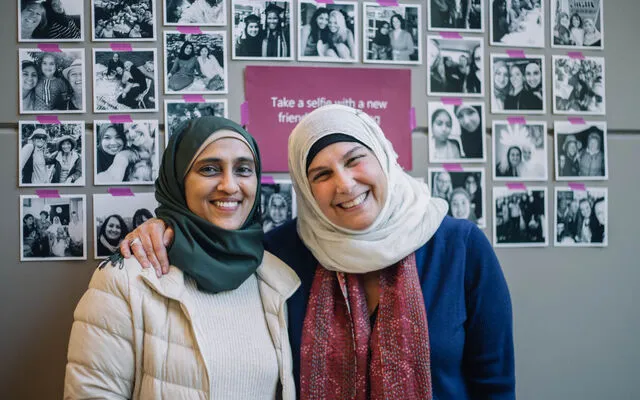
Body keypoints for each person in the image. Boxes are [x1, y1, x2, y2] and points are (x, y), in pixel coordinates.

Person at [122, 105, 515, 399]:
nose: (344, 185)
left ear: (383, 157)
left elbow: (494, 383)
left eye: (355, 159)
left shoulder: (460, 247)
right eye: (321, 175)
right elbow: (216, 245)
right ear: (306, 191)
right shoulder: (280, 255)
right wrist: (164, 226)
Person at [65, 116, 299, 399]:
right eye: (210, 169)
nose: (230, 185)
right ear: (178, 180)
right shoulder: (124, 279)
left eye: (243, 170)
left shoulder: (277, 280)